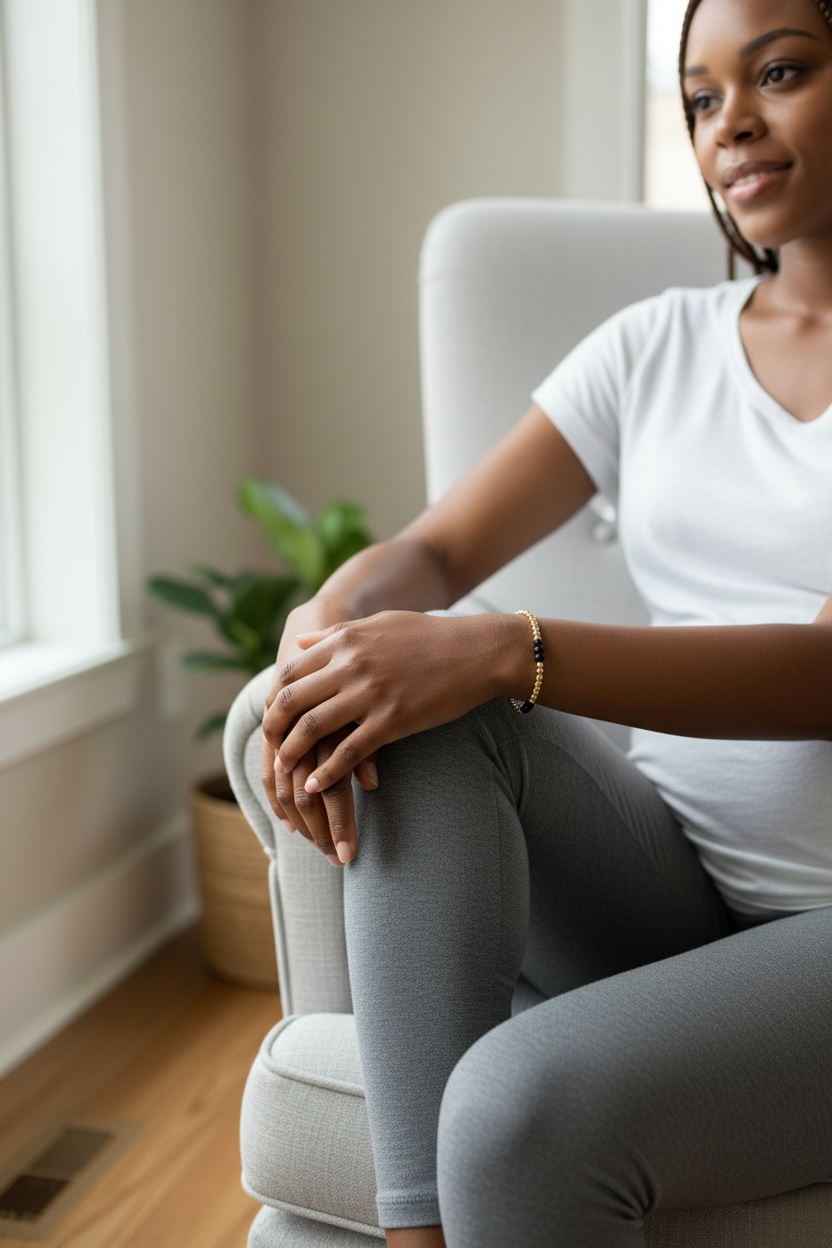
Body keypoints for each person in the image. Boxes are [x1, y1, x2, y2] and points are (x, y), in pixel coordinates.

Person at [261, 0, 832, 1243]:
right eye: (700, 98)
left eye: (779, 72)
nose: (729, 122)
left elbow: (822, 672)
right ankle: (418, 1226)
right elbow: (436, 551)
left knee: (516, 1111)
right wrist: (329, 623)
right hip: (663, 888)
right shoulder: (654, 347)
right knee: (408, 700)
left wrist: (506, 650)